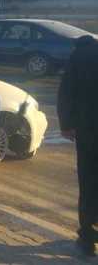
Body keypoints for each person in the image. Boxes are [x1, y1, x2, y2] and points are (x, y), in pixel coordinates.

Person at [58, 35, 98, 257]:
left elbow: (66, 91)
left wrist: (66, 124)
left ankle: (87, 239)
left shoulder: (81, 55)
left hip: (89, 132)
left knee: (89, 183)